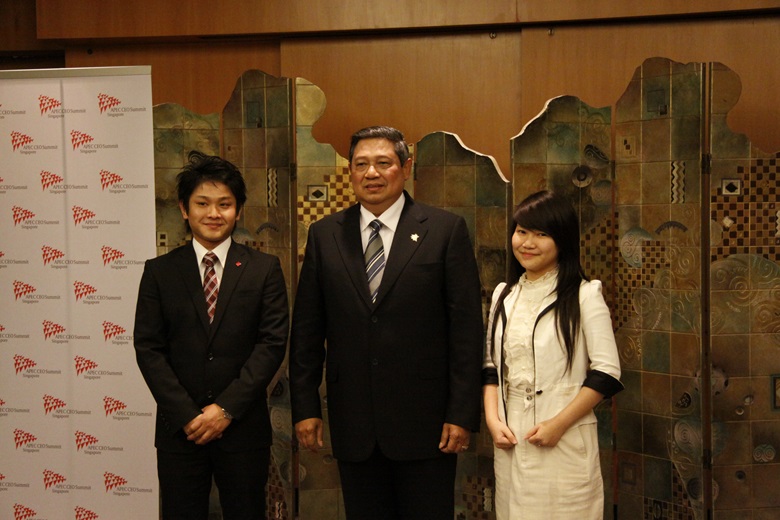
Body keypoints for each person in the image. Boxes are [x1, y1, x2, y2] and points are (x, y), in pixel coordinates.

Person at [289, 126, 483, 519]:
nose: (371, 173)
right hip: (354, 422)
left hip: (428, 424)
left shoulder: (444, 231)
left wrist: (461, 413)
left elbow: (466, 331)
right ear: (350, 171)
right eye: (361, 164)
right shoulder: (325, 235)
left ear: (405, 168)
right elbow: (308, 330)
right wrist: (305, 406)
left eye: (383, 163)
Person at [133, 151, 289, 519]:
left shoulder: (263, 269)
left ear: (238, 210)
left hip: (243, 428)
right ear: (185, 210)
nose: (214, 213)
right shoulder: (160, 272)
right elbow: (149, 348)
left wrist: (225, 410)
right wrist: (188, 415)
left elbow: (271, 344)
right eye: (202, 203)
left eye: (225, 204)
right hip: (179, 431)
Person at [482, 190, 623, 519]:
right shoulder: (505, 295)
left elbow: (607, 373)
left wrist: (558, 424)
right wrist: (492, 420)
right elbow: (490, 368)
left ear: (562, 240)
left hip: (563, 435)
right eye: (522, 231)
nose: (528, 242)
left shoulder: (585, 295)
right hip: (510, 436)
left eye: (542, 234)